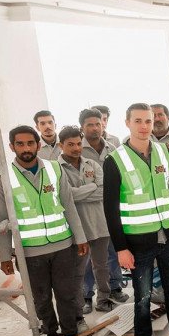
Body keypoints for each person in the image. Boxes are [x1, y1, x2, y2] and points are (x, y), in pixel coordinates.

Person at [103, 103, 169, 336]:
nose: (144, 126)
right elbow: (110, 209)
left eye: (148, 121)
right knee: (143, 296)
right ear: (127, 123)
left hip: (168, 236)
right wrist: (121, 248)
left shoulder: (163, 152)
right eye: (138, 121)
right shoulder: (115, 160)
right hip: (137, 241)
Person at [0, 125, 88, 336]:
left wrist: (80, 237)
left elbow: (68, 205)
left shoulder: (55, 169)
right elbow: (1, 220)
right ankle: (51, 333)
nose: (26, 148)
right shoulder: (2, 177)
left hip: (63, 246)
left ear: (37, 145)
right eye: (20, 144)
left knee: (67, 293)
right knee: (41, 296)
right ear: (11, 146)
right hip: (29, 251)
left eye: (30, 143)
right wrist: (6, 256)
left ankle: (70, 332)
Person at [57, 126, 115, 317]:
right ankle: (85, 299)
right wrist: (90, 188)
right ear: (60, 145)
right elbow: (64, 196)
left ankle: (104, 298)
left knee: (102, 265)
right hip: (77, 227)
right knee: (80, 269)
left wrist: (77, 193)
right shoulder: (55, 169)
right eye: (70, 144)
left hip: (100, 223)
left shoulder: (93, 164)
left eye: (78, 144)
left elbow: (104, 191)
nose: (75, 148)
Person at [79, 108, 129, 312]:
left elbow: (119, 181)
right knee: (89, 257)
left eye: (98, 124)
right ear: (82, 127)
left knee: (114, 250)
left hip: (112, 210)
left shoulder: (113, 147)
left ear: (103, 124)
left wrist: (95, 191)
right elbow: (72, 190)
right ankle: (87, 295)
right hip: (88, 213)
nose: (95, 128)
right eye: (90, 124)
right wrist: (96, 190)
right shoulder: (76, 149)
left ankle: (115, 287)